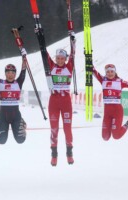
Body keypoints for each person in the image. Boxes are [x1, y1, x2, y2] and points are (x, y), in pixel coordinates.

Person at [46, 32, 76, 167]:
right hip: (53, 101)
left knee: (67, 128)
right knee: (54, 129)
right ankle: (54, 154)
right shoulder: (51, 66)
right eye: (57, 58)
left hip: (66, 102)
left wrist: (72, 41)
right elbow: (43, 53)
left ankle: (69, 152)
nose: (59, 60)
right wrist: (39, 35)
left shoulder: (69, 67)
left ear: (65, 59)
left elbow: (73, 54)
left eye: (62, 58)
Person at [93, 64, 128, 141]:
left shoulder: (120, 82)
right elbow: (93, 71)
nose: (110, 73)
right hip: (107, 112)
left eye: (112, 71)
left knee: (116, 136)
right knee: (105, 137)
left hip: (117, 111)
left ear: (115, 72)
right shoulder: (103, 80)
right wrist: (88, 61)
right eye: (108, 72)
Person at [0, 48, 27, 145]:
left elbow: (23, 70)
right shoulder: (0, 82)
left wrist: (24, 57)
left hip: (15, 115)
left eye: (13, 73)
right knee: (1, 141)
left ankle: (21, 122)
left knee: (21, 140)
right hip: (3, 115)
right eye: (8, 73)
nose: (10, 75)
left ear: (15, 74)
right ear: (5, 73)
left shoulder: (18, 82)